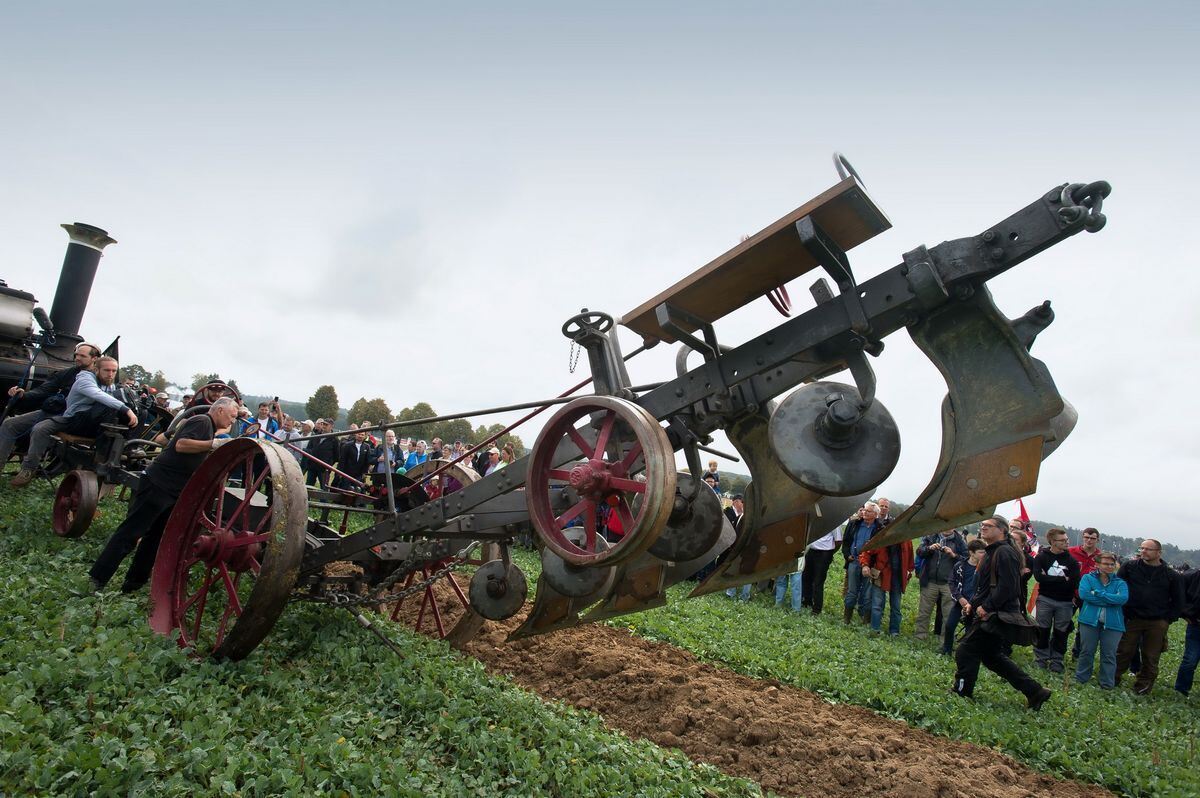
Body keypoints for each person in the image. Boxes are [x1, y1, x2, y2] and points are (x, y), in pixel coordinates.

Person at [86, 397, 239, 593]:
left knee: (155, 539)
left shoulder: (209, 426)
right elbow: (181, 445)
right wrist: (213, 444)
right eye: (231, 416)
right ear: (219, 411)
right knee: (131, 533)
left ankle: (133, 584)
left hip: (173, 490)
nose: (232, 422)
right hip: (159, 485)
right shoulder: (202, 421)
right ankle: (98, 578)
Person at [952, 514, 1052, 710]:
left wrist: (986, 606)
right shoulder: (994, 551)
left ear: (1002, 530)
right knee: (991, 656)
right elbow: (987, 586)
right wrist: (974, 603)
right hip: (990, 611)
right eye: (982, 525)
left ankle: (962, 692)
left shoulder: (1004, 552)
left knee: (966, 650)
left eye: (988, 525)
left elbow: (1008, 587)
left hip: (995, 613)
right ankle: (1035, 691)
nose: (983, 527)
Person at [4, 355, 138, 487]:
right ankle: (29, 468)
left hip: (91, 424)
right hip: (72, 417)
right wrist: (125, 408)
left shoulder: (111, 386)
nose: (110, 374)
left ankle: (121, 450)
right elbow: (96, 394)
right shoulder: (85, 378)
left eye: (114, 371)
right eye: (107, 370)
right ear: (96, 369)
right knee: (41, 428)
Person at [1115, 539, 1184, 694]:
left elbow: (1179, 600)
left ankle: (1143, 686)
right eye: (1142, 548)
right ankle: (1112, 678)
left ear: (1159, 552)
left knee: (1151, 655)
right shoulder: (1129, 567)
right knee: (1124, 650)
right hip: (1133, 617)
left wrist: (1167, 620)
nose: (1143, 551)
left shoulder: (1171, 575)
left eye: (1148, 549)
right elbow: (1118, 587)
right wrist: (1124, 611)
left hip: (1157, 621)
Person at [1075, 551, 1128, 689]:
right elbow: (1084, 595)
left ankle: (1107, 684)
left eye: (1112, 564)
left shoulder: (1120, 583)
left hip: (1113, 624)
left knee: (1109, 654)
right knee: (1087, 651)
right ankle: (1081, 679)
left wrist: (1098, 593)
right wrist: (1111, 599)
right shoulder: (1087, 578)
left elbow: (1122, 599)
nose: (1109, 566)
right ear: (1097, 564)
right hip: (1089, 621)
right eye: (1105, 563)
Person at [1031, 528, 1081, 673]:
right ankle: (1041, 659)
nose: (1067, 542)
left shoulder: (1072, 561)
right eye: (1063, 540)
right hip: (1045, 599)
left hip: (1065, 602)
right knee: (1042, 630)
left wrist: (1050, 579)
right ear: (1053, 542)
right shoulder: (1041, 557)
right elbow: (1039, 578)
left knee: (1061, 632)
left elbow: (1074, 582)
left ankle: (1056, 661)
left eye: (1067, 540)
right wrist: (1062, 579)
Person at [3, 341, 100, 415]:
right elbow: (44, 389)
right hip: (55, 411)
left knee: (40, 429)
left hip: (75, 416)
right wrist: (23, 395)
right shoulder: (66, 373)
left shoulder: (99, 377)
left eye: (82, 356)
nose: (77, 358)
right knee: (10, 424)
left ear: (94, 358)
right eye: (76, 355)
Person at [914, 528, 968, 642]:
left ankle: (945, 640)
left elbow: (966, 560)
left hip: (949, 584)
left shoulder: (959, 541)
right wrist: (929, 548)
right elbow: (919, 551)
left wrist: (953, 555)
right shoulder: (931, 537)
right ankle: (920, 636)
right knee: (924, 611)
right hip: (930, 581)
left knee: (948, 614)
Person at [860, 535, 914, 636]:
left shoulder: (907, 540)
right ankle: (875, 629)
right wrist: (865, 565)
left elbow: (910, 559)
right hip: (881, 575)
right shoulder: (882, 537)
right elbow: (867, 551)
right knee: (877, 605)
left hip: (898, 578)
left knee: (896, 606)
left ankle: (894, 631)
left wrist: (909, 572)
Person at [841, 502, 883, 624]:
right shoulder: (854, 524)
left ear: (875, 514)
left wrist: (872, 564)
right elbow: (846, 541)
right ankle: (846, 618)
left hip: (870, 566)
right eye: (864, 510)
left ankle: (865, 620)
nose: (864, 512)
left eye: (868, 511)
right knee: (852, 591)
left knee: (867, 593)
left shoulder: (879, 528)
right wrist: (847, 555)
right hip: (854, 562)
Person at [943, 539, 986, 655]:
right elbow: (952, 582)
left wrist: (972, 603)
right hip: (960, 602)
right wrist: (960, 598)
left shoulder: (984, 569)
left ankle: (966, 653)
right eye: (981, 552)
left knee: (970, 630)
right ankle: (946, 650)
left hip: (975, 605)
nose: (984, 555)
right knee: (949, 626)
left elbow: (984, 588)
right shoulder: (960, 566)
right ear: (972, 553)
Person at [1069, 527, 1102, 658]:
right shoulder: (1071, 552)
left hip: (1089, 598)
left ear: (1097, 540)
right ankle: (1056, 652)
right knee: (1064, 624)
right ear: (1082, 537)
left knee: (1084, 628)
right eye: (1086, 537)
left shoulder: (1100, 557)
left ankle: (1077, 655)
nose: (1089, 540)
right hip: (1071, 595)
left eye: (1092, 538)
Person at [801, 523, 842, 615]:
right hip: (811, 551)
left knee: (818, 581)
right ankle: (807, 601)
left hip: (824, 553)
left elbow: (838, 541)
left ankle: (817, 608)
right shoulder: (814, 518)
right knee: (806, 577)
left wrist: (830, 553)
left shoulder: (834, 521)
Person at [1174, 566, 1200, 695]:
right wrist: (1185, 614)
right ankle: (1181, 690)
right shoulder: (1192, 576)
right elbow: (1179, 596)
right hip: (1196, 626)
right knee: (1190, 660)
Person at [304, 418, 338, 488]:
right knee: (308, 487)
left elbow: (336, 456)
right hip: (312, 466)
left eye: (326, 424)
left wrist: (329, 464)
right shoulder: (316, 436)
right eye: (323, 424)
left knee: (324, 488)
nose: (324, 426)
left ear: (331, 426)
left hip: (324, 469)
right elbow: (309, 448)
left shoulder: (334, 440)